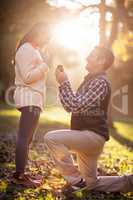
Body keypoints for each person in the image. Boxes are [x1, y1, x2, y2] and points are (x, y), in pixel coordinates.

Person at [44, 46, 133, 193]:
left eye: (92, 55)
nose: (87, 58)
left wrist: (64, 82)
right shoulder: (91, 81)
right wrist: (63, 83)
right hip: (87, 137)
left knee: (51, 138)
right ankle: (130, 182)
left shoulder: (100, 82)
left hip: (91, 137)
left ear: (101, 61)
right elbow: (70, 106)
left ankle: (75, 181)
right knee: (92, 184)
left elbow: (73, 105)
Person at [13, 23, 51, 187]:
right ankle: (19, 175)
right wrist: (44, 66)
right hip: (28, 98)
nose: (47, 40)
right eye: (45, 36)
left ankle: (21, 173)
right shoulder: (26, 49)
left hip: (34, 99)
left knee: (28, 138)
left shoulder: (33, 50)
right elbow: (28, 77)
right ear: (37, 33)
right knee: (24, 137)